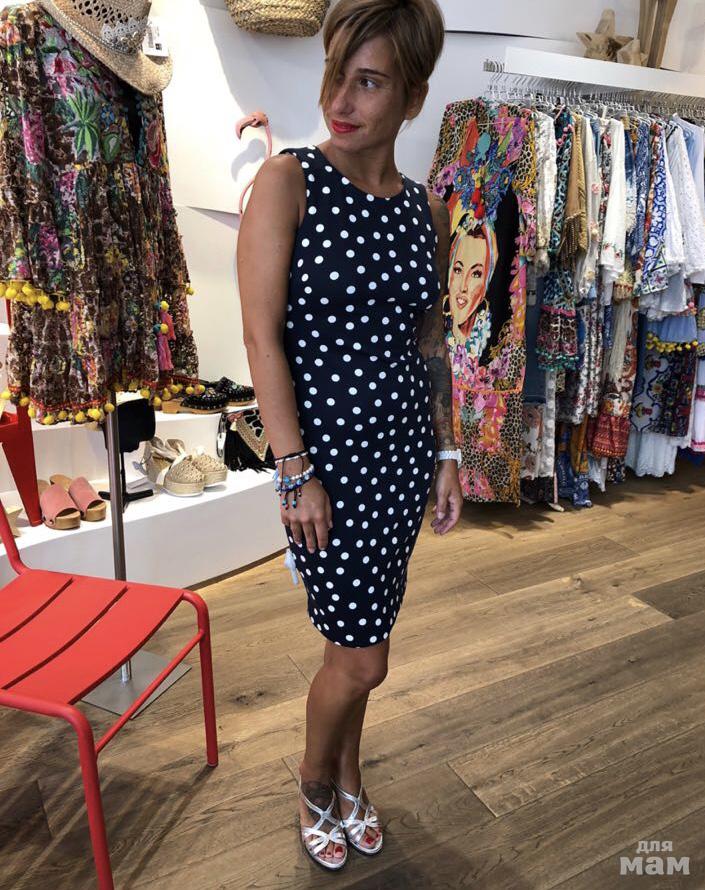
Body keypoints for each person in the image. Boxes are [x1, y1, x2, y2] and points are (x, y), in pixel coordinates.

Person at [237, 0, 462, 871]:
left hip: (400, 461)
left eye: (367, 82)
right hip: (325, 468)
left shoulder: (422, 211)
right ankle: (310, 781)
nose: (340, 99)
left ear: (412, 97)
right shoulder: (289, 181)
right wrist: (294, 473)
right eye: (336, 75)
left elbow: (428, 341)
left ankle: (349, 775)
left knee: (359, 639)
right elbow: (262, 340)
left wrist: (445, 453)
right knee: (364, 662)